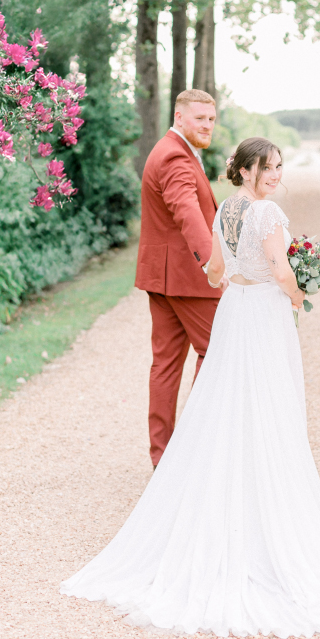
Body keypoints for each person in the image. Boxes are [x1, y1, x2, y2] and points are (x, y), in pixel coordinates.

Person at [61, 137, 320, 638]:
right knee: (267, 405)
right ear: (248, 169)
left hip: (234, 310)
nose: (276, 174)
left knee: (228, 402)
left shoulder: (225, 210)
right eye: (269, 167)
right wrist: (298, 292)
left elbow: (214, 271)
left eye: (279, 166)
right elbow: (278, 269)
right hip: (263, 316)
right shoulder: (266, 212)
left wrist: (238, 278)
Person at [134, 88, 226, 469]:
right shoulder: (174, 155)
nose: (207, 125)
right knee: (218, 352)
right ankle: (193, 449)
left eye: (211, 119)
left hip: (164, 278)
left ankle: (164, 459)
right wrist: (213, 266)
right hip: (189, 279)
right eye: (200, 118)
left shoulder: (174, 150)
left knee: (166, 365)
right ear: (179, 117)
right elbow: (186, 211)